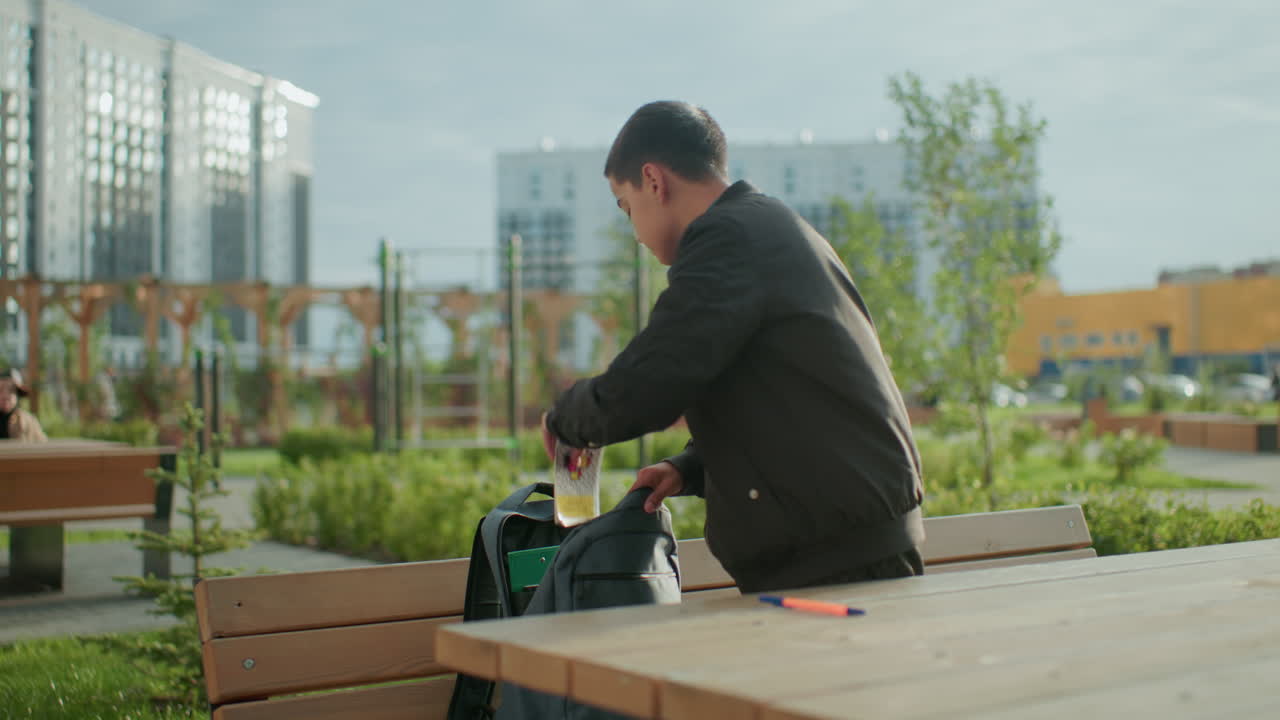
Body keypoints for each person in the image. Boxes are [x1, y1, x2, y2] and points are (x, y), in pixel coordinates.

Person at [541, 101, 925, 593]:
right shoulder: (767, 228)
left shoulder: (728, 239)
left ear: (653, 181)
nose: (633, 230)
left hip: (834, 563)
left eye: (625, 205)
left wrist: (567, 421)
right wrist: (689, 468)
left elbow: (658, 375)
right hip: (849, 546)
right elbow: (786, 395)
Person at [1, 367, 47, 442]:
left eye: (11, 390)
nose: (5, 396)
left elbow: (43, 445)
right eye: (0, 389)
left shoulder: (29, 421)